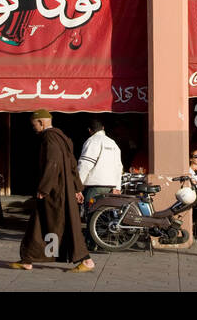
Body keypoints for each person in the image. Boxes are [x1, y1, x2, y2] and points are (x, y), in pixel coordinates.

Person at [12, 110, 94, 272]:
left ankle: (86, 260)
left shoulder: (49, 138)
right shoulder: (63, 138)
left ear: (41, 122)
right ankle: (28, 259)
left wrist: (44, 188)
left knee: (41, 224)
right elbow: (72, 163)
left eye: (34, 124)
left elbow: (53, 163)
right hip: (65, 190)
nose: (33, 128)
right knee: (65, 224)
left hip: (55, 192)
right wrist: (77, 188)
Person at [76, 119, 122, 213]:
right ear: (103, 128)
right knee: (105, 219)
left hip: (94, 189)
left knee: (92, 216)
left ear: (89, 130)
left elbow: (85, 165)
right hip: (111, 187)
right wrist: (117, 187)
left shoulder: (91, 141)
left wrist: (77, 186)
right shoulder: (113, 143)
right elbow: (119, 167)